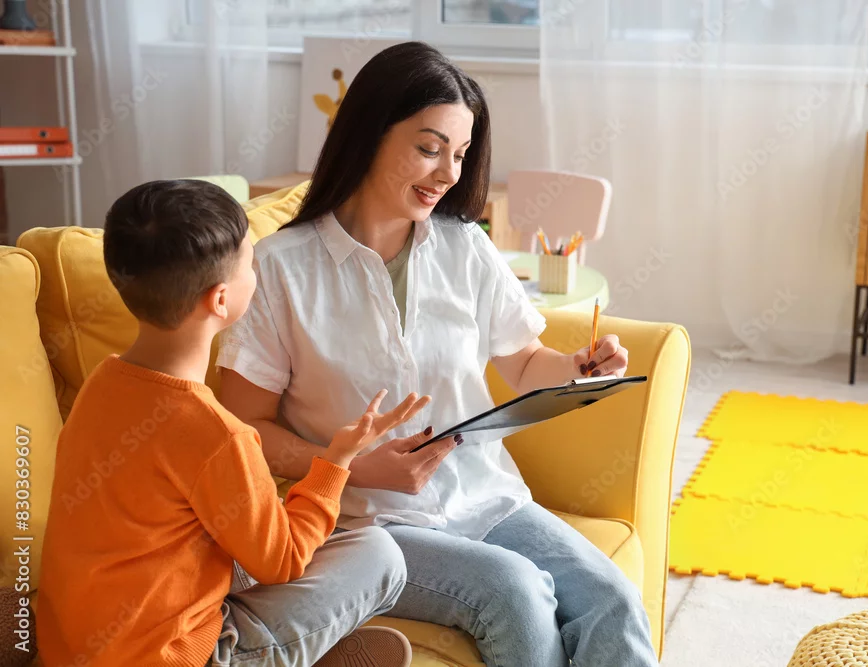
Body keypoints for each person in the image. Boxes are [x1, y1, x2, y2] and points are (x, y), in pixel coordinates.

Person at [217, 42, 660, 667]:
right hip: (366, 524)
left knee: (612, 598)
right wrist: (354, 467)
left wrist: (576, 368)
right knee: (515, 591)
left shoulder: (465, 248)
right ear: (369, 133)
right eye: (430, 148)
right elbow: (242, 431)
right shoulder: (280, 270)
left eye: (460, 153)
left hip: (484, 494)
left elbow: (524, 361)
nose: (449, 173)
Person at [35, 179, 424, 667]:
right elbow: (283, 560)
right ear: (221, 300)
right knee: (377, 554)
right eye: (250, 262)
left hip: (69, 647)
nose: (256, 272)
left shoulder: (102, 383)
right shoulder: (219, 434)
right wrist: (336, 460)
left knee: (237, 546)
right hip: (173, 656)